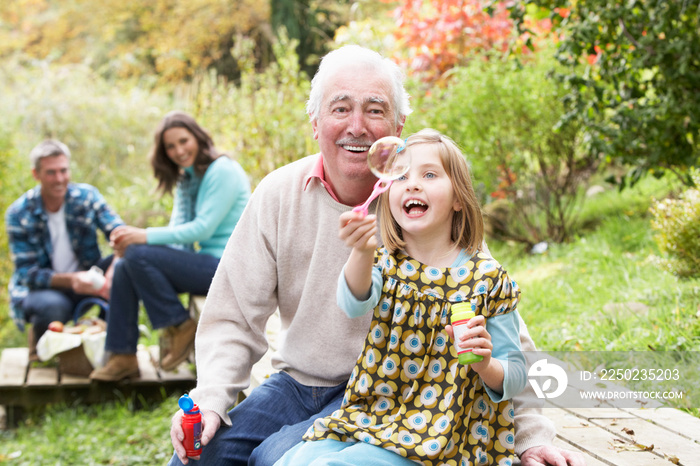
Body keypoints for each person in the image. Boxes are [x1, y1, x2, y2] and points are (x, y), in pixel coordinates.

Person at [169, 45, 586, 466]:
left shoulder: (421, 208)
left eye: (374, 109)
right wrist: (210, 398)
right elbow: (233, 317)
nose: (357, 126)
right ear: (315, 122)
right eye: (340, 109)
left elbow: (501, 324)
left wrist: (531, 437)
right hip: (296, 383)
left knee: (276, 459)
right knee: (198, 457)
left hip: (389, 391)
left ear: (398, 125)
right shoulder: (278, 194)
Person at [276, 128, 527, 465]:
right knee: (292, 460)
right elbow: (352, 303)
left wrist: (485, 365)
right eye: (401, 175)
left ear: (458, 199)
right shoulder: (386, 262)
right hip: (374, 417)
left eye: (429, 174)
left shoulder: (487, 279)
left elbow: (516, 375)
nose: (412, 183)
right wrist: (362, 253)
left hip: (443, 437)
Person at [89, 111, 251, 381]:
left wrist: (142, 237)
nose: (178, 150)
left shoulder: (222, 170)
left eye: (183, 141)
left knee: (137, 252)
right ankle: (123, 355)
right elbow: (178, 234)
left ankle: (178, 323)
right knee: (128, 264)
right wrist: (136, 250)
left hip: (231, 267)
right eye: (170, 146)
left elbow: (203, 229)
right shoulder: (188, 178)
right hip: (208, 263)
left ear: (198, 138)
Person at [6, 139, 123, 360]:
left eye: (63, 171)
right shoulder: (19, 213)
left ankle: (112, 347)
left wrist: (115, 268)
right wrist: (72, 280)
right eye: (51, 173)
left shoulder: (87, 197)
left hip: (88, 278)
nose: (59, 179)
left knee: (126, 268)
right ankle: (40, 349)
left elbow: (121, 234)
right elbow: (27, 273)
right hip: (42, 289)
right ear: (36, 174)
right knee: (53, 306)